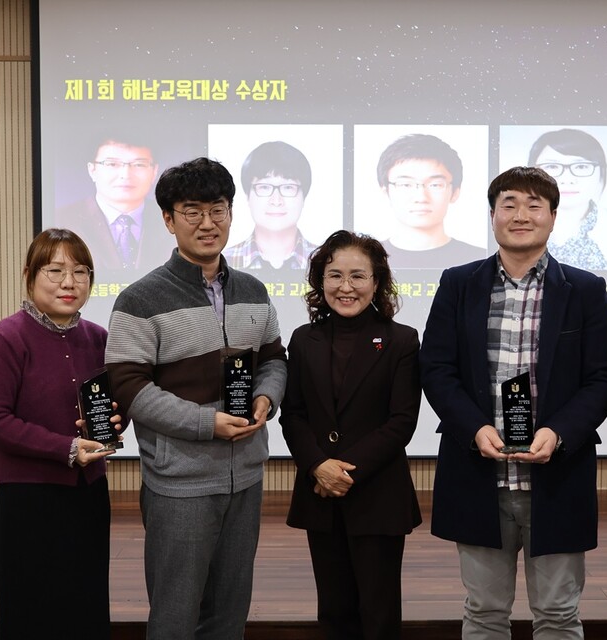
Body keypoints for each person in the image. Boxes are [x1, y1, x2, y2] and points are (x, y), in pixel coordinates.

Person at [420, 166, 607, 639]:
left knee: (557, 614)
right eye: (509, 203)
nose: (521, 214)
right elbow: (437, 369)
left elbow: (603, 377)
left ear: (553, 217)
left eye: (534, 205)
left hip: (557, 475)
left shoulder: (585, 290)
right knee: (484, 612)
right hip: (478, 473)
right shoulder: (458, 283)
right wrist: (473, 427)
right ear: (492, 215)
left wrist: (560, 432)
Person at [104, 156, 288, 639]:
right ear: (168, 219)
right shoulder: (140, 299)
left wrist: (267, 399)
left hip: (245, 475)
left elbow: (273, 359)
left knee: (229, 613)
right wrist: (207, 423)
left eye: (219, 209)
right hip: (179, 481)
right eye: (192, 211)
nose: (208, 223)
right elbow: (128, 386)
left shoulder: (252, 289)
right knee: (175, 614)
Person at [0, 228, 120, 640]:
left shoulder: (98, 338)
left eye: (81, 271)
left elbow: (107, 409)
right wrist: (66, 448)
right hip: (29, 501)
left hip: (88, 496)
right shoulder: (4, 339)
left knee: (85, 609)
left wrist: (111, 424)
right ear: (29, 275)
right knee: (31, 613)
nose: (69, 282)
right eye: (55, 270)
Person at [280, 230, 422, 640]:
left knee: (378, 615)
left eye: (358, 276)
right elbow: (293, 415)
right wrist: (318, 467)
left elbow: (401, 421)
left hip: (377, 495)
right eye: (335, 275)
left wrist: (343, 472)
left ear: (376, 282)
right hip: (319, 495)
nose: (346, 287)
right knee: (334, 612)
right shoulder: (304, 340)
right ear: (320, 282)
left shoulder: (401, 340)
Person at [55, 133, 173, 275]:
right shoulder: (62, 219)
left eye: (139, 164)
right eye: (112, 164)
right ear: (92, 170)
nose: (125, 174)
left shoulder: (172, 219)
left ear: (154, 172)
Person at [527, 128, 607, 271]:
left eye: (581, 166)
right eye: (552, 166)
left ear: (601, 176)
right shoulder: (514, 226)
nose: (567, 179)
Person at [376, 133, 484, 267]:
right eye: (405, 184)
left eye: (435, 185)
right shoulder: (367, 258)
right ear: (386, 192)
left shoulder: (480, 259)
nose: (421, 197)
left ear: (455, 192)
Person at [224, 140, 318, 271]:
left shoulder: (324, 261)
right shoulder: (223, 262)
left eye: (288, 187)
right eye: (264, 187)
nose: (276, 200)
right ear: (247, 195)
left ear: (304, 196)